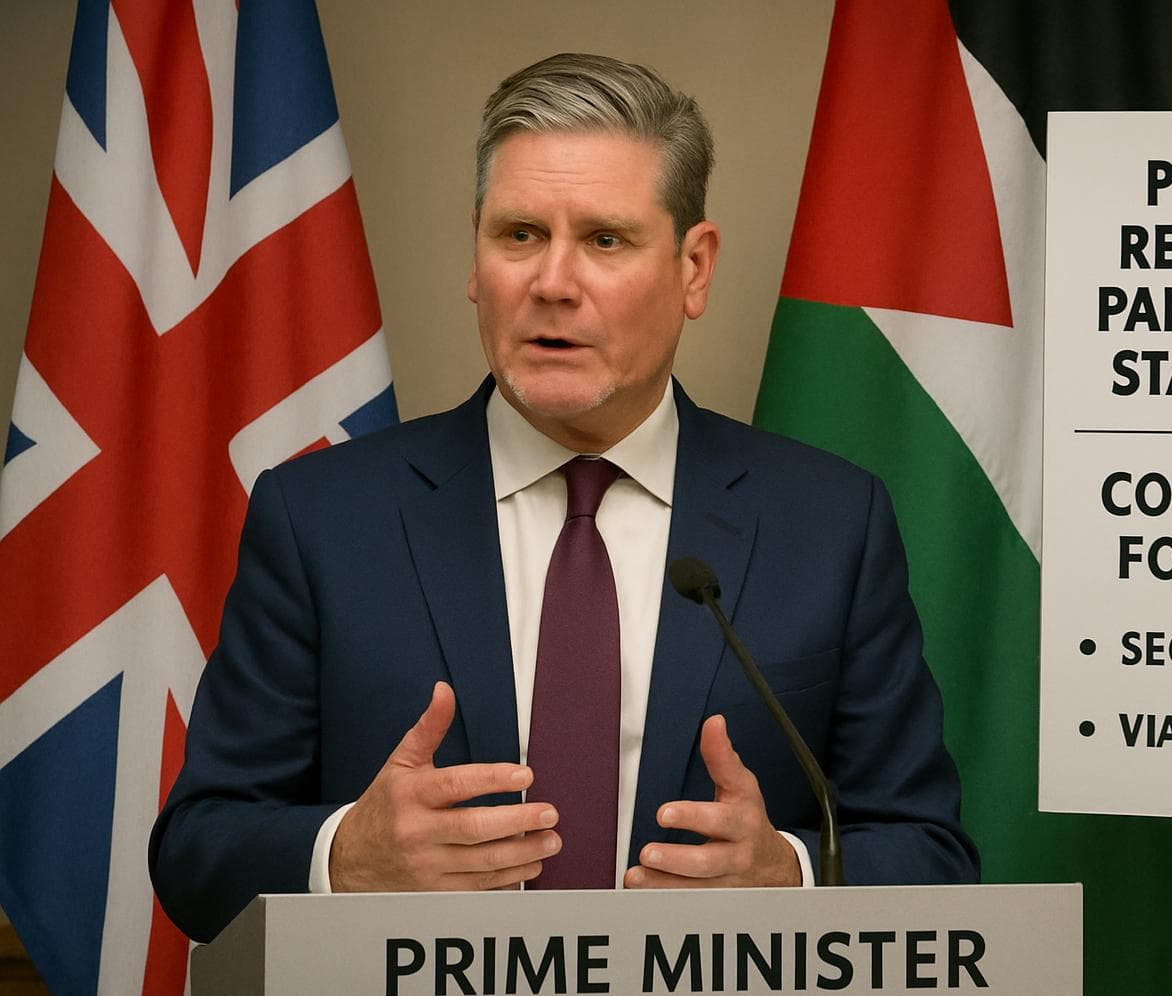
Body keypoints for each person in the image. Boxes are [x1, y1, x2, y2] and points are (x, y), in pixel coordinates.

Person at [149, 52, 978, 944]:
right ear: (476, 256)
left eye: (605, 240)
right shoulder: (321, 519)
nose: (551, 282)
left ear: (695, 268)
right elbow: (197, 852)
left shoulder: (828, 524)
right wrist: (344, 854)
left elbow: (932, 855)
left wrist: (794, 877)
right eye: (518, 235)